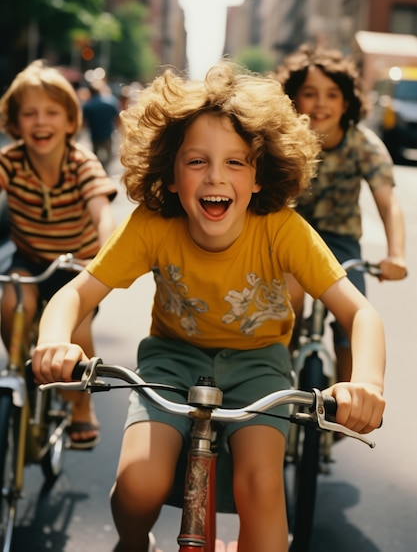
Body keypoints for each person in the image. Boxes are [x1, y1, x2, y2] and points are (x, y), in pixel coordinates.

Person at [32, 62, 386, 552]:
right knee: (138, 483)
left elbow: (359, 312)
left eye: (236, 163)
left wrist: (366, 382)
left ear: (259, 176)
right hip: (171, 360)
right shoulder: (153, 224)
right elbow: (75, 292)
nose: (215, 176)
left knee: (261, 490)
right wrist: (53, 340)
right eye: (196, 161)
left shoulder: (281, 228)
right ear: (170, 175)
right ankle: (135, 544)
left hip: (261, 364)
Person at [0, 60, 118, 449]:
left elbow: (102, 211)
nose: (40, 121)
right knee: (11, 304)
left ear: (70, 121)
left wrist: (105, 257)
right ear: (14, 123)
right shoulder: (10, 162)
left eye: (51, 112)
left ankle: (81, 407)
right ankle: (21, 368)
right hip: (31, 259)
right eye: (29, 113)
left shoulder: (80, 162)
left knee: (77, 333)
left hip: (76, 265)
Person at [273, 45, 407, 382]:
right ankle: (275, 382)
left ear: (345, 102)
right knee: (286, 307)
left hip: (340, 241)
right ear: (293, 99)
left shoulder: (364, 145)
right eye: (309, 93)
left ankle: (352, 397)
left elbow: (388, 203)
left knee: (354, 319)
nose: (321, 103)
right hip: (290, 235)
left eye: (332, 94)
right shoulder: (282, 141)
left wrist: (397, 254)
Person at [82, 79, 120, 170]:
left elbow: (84, 123)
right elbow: (117, 118)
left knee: (95, 155)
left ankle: (98, 169)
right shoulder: (111, 102)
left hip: (94, 135)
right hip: (108, 133)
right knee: (109, 154)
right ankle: (105, 168)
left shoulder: (88, 105)